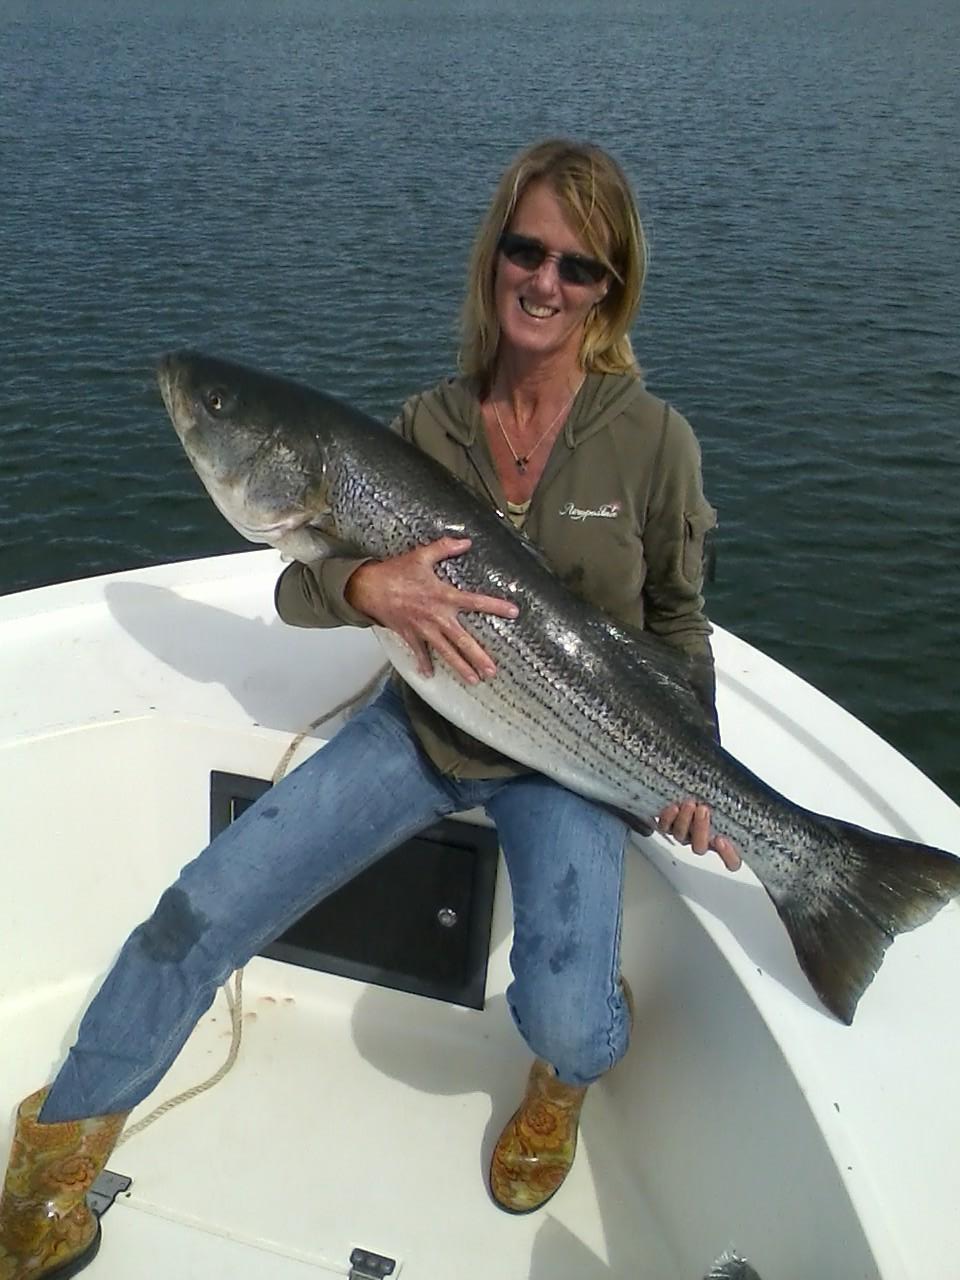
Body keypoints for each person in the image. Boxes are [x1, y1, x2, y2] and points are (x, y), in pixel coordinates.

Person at [0, 139, 740, 1277]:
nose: (544, 281)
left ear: (609, 288)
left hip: (572, 760)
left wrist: (696, 769)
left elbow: (679, 627)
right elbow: (302, 587)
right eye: (525, 250)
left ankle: (573, 1061)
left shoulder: (656, 444)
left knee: (562, 1014)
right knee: (201, 906)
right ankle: (59, 1144)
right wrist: (366, 588)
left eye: (577, 265)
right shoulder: (426, 426)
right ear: (494, 257)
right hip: (423, 732)